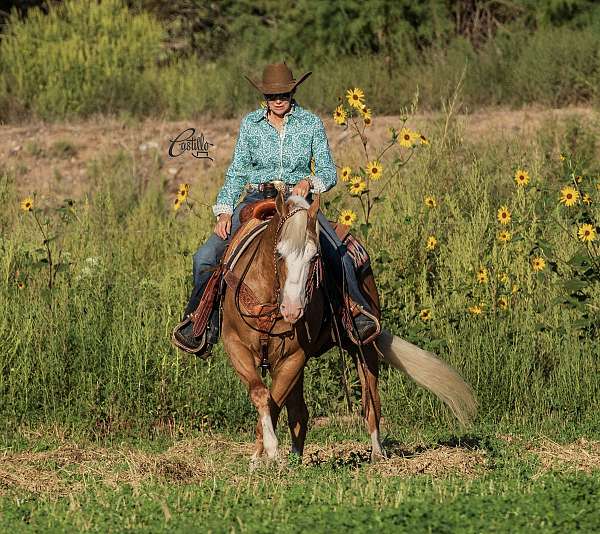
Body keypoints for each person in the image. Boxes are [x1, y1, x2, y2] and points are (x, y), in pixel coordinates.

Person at [174, 62, 378, 354]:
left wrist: (309, 182)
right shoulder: (250, 125)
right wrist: (224, 210)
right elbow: (237, 172)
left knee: (338, 252)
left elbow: (329, 172)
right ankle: (200, 323)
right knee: (205, 257)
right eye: (272, 95)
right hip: (257, 200)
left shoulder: (310, 123)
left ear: (293, 91)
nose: (278, 99)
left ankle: (355, 315)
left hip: (298, 203)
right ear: (264, 97)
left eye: (283, 93)